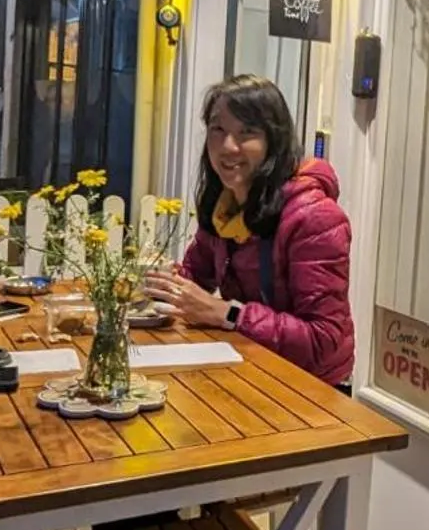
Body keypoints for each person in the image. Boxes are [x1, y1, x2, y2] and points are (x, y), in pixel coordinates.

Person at [147, 74, 355, 386]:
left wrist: (228, 314)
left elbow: (323, 341)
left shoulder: (314, 217)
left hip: (313, 390)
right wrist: (149, 284)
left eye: (247, 132)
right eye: (218, 130)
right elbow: (194, 275)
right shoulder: (226, 204)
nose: (228, 147)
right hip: (250, 368)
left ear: (274, 140)